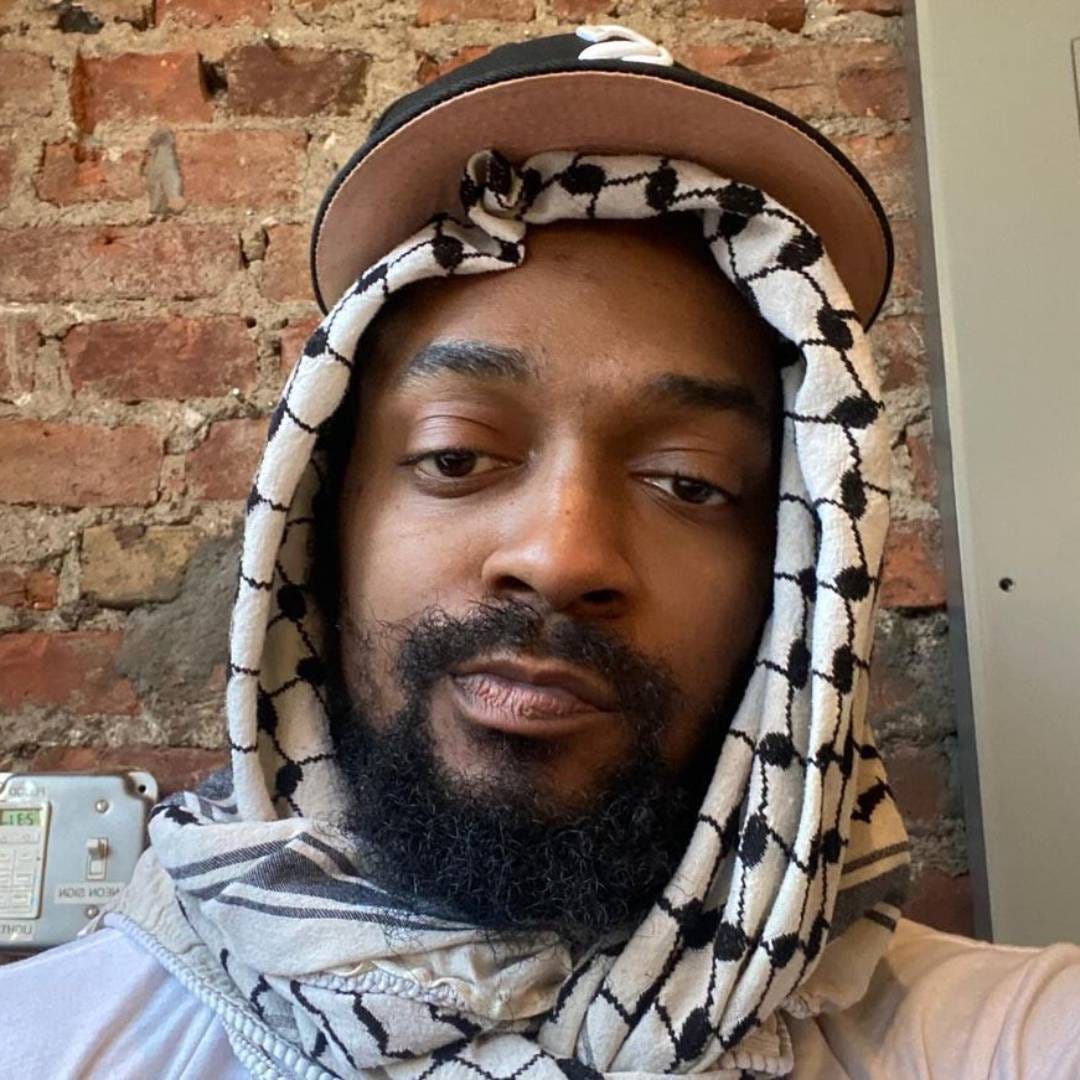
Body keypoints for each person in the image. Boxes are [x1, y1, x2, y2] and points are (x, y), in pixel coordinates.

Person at [2, 25, 1079, 1079]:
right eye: (455, 456)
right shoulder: (47, 1042)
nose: (562, 556)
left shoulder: (997, 1036)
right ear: (319, 531)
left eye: (690, 482)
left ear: (791, 586)